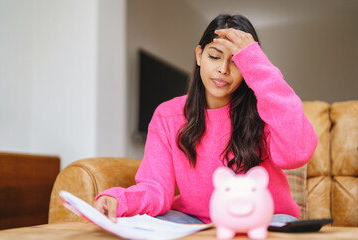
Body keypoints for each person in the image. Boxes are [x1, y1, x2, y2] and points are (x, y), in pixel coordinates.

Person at [93, 14, 318, 224]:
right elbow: (156, 188)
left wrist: (255, 62)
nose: (223, 69)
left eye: (237, 62)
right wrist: (119, 201)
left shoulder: (266, 110)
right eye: (214, 56)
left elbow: (296, 154)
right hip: (196, 221)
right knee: (154, 221)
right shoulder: (167, 115)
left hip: (264, 219)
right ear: (199, 55)